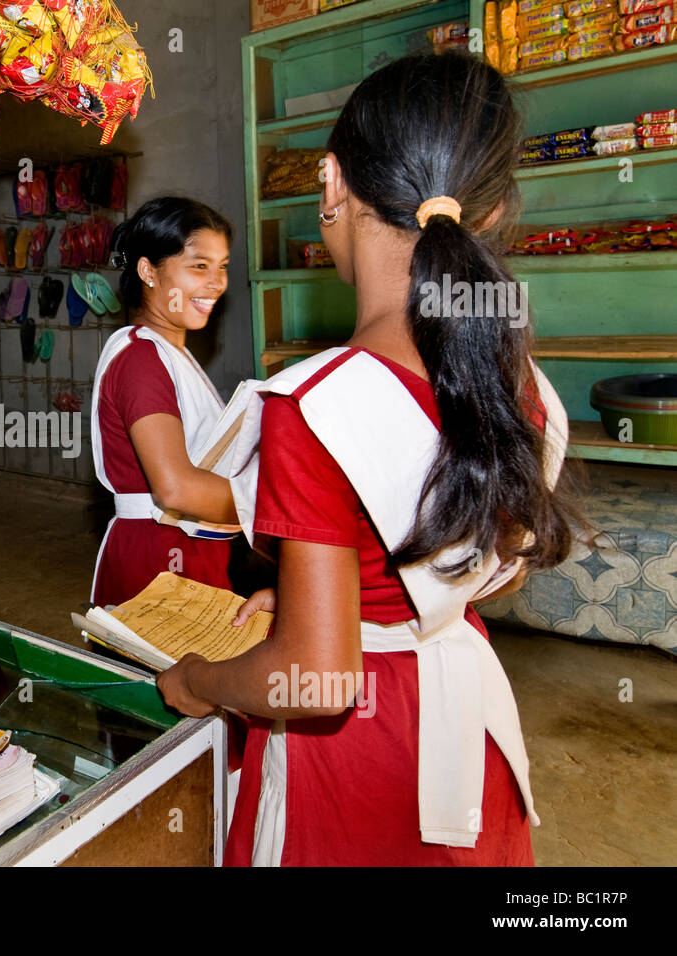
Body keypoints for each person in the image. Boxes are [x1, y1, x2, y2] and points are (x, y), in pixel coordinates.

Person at [156, 53, 578, 865]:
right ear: (491, 212)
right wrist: (332, 593)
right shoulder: (515, 381)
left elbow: (320, 679)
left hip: (359, 763)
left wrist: (200, 679)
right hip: (467, 727)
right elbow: (489, 567)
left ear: (330, 185)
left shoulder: (313, 405)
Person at [89, 197, 238, 608]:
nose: (216, 282)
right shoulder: (142, 360)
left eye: (222, 266)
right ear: (147, 270)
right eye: (199, 266)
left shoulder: (170, 354)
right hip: (162, 559)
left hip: (188, 546)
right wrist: (270, 505)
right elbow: (174, 488)